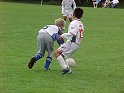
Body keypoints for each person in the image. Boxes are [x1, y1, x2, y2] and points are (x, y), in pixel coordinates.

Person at [54, 8, 84, 75]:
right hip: (76, 43)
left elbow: (72, 34)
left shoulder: (73, 23)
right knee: (61, 55)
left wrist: (61, 36)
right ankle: (66, 68)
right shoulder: (80, 23)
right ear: (81, 16)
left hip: (72, 42)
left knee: (56, 53)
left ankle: (66, 69)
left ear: (73, 14)